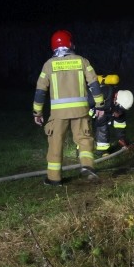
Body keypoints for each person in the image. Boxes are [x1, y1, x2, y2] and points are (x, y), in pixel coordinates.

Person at [32, 29, 105, 185]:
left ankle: (54, 178)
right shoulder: (82, 61)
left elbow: (40, 91)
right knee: (84, 139)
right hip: (81, 110)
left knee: (55, 144)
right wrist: (100, 105)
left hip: (58, 114)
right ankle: (87, 166)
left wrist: (37, 112)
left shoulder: (48, 65)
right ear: (70, 44)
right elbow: (94, 85)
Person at [89, 74, 134, 156]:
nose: (119, 112)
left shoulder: (119, 107)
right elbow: (85, 103)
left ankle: (102, 151)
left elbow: (120, 124)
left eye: (121, 110)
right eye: (119, 109)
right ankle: (81, 151)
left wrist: (122, 139)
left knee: (103, 121)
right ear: (116, 98)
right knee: (85, 128)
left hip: (99, 113)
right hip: (85, 108)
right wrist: (93, 111)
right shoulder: (105, 92)